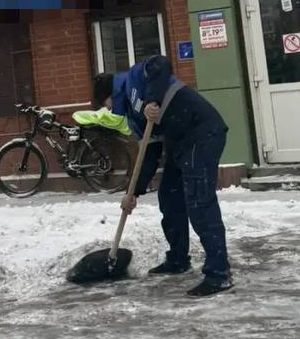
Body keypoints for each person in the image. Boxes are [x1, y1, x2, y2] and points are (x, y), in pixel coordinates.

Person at [93, 55, 232, 297]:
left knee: (199, 202)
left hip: (201, 132)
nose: (109, 109)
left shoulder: (136, 78)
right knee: (170, 197)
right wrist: (133, 192)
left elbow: (161, 63)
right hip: (180, 143)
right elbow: (149, 152)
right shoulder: (134, 117)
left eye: (106, 104)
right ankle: (178, 260)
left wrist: (152, 100)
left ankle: (219, 274)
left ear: (110, 94)